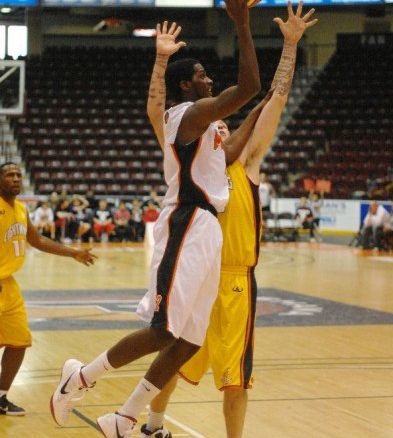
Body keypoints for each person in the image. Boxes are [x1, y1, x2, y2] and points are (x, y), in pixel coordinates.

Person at [50, 2, 261, 437]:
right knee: (164, 330)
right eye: (202, 74)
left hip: (207, 230)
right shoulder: (186, 116)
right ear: (186, 85)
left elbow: (234, 150)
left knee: (189, 341)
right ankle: (81, 377)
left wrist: (267, 106)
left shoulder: (208, 129)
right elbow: (247, 86)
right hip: (185, 223)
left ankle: (124, 418)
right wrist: (240, 23)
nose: (209, 79)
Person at [141, 3, 317, 437]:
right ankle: (152, 425)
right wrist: (161, 61)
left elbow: (274, 98)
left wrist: (290, 47)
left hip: (235, 278)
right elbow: (155, 112)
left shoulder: (246, 163)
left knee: (236, 375)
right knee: (172, 356)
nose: (218, 134)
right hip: (196, 269)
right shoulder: (192, 158)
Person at [0, 162, 96, 416]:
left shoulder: (20, 209)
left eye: (19, 175)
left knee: (19, 342)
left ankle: (0, 397)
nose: (16, 179)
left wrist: (73, 253)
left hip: (8, 285)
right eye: (10, 175)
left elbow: (38, 240)